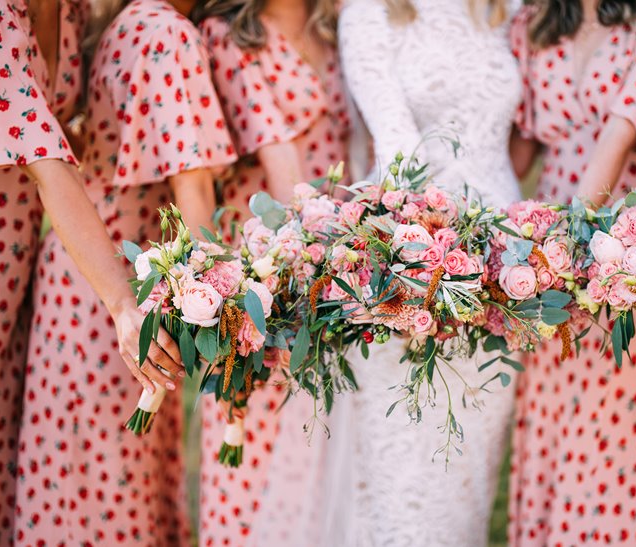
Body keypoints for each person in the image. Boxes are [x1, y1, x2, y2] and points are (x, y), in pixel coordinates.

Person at [13, 0, 237, 544]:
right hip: (122, 304)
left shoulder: (124, 23)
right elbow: (194, 194)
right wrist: (225, 307)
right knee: (110, 490)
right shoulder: (168, 34)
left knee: (79, 486)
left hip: (76, 287)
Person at [0, 2, 181, 544]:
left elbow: (67, 130)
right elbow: (45, 163)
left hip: (17, 268)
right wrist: (121, 302)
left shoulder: (76, 10)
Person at [506, 0, 636, 544]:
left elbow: (620, 133)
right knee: (546, 437)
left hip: (625, 257)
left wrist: (572, 246)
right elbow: (518, 153)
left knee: (609, 443)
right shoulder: (535, 20)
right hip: (543, 262)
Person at [326, 1, 523, 544]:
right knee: (407, 468)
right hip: (408, 259)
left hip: (507, 274)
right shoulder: (369, 13)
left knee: (469, 472)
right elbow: (397, 149)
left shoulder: (501, 8)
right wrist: (427, 257)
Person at [194, 0, 347, 543]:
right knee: (255, 460)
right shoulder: (230, 36)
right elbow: (284, 181)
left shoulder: (337, 26)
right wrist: (340, 251)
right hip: (268, 278)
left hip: (342, 275)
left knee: (325, 463)